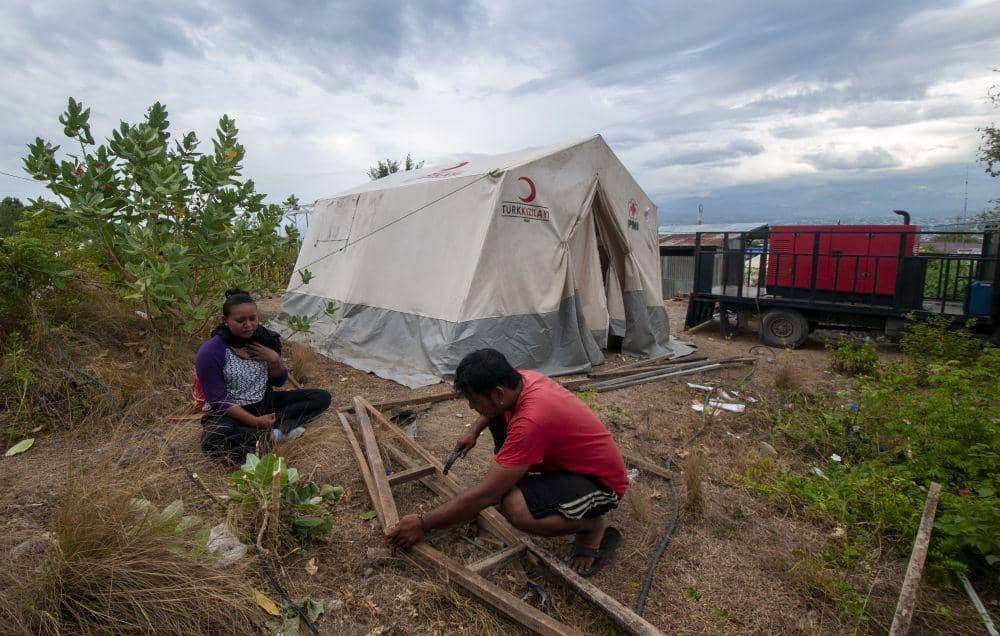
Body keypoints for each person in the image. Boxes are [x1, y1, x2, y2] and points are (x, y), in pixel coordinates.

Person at [387, 348, 628, 576]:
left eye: (473, 400)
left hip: (601, 484)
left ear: (499, 393)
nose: (472, 407)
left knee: (515, 507)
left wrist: (423, 523)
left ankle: (591, 528)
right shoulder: (521, 380)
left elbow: (486, 496)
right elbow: (493, 408)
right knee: (496, 417)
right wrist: (474, 430)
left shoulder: (531, 422)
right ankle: (520, 479)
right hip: (568, 465)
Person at [195, 289, 331, 462]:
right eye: (240, 320)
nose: (248, 325)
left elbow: (279, 381)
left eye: (253, 319)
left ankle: (271, 433)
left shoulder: (265, 340)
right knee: (213, 441)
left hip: (264, 403)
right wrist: (255, 421)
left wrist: (274, 360)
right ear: (225, 321)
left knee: (321, 397)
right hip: (230, 413)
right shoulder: (211, 351)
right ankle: (272, 434)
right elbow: (218, 400)